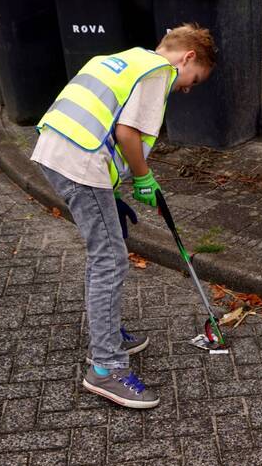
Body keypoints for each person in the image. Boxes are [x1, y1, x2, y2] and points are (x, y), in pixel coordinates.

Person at [31, 25, 216, 409]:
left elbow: (104, 123)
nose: (186, 89)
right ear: (188, 57)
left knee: (105, 252)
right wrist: (144, 178)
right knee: (110, 260)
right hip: (81, 163)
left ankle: (108, 335)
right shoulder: (158, 73)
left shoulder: (127, 58)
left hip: (57, 150)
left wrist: (110, 193)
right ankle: (105, 367)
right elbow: (127, 132)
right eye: (193, 80)